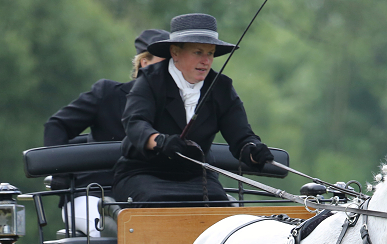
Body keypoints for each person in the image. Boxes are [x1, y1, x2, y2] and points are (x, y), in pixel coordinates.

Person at [113, 13, 274, 204]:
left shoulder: (221, 87)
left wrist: (253, 151)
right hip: (143, 172)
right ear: (175, 52)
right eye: (198, 52)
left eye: (211, 53)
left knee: (221, 208)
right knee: (157, 202)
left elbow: (241, 137)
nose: (206, 61)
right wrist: (161, 141)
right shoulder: (149, 80)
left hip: (199, 176)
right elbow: (135, 123)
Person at [43, 29, 169, 236]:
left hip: (152, 196)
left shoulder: (181, 107)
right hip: (96, 193)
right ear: (145, 63)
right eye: (167, 61)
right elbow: (57, 125)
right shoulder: (108, 94)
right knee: (120, 234)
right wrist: (60, 173)